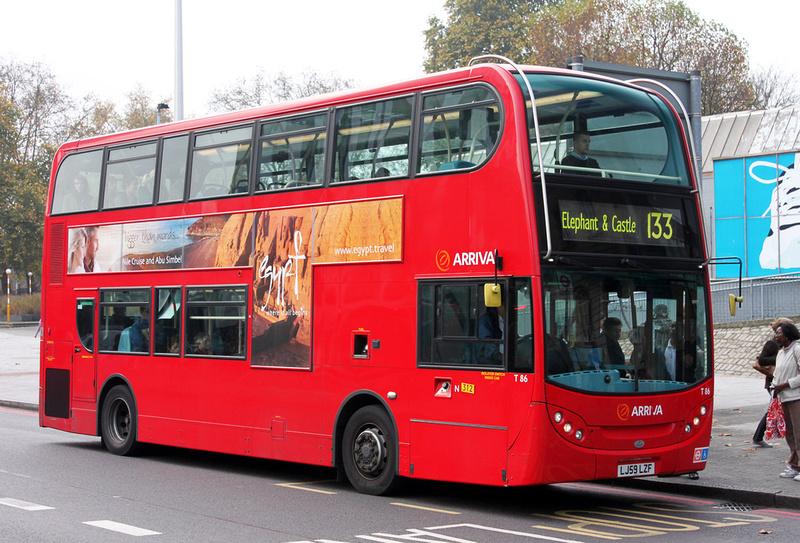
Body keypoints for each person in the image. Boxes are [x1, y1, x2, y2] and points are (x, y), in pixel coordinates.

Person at [752, 318, 794, 448]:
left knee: (774, 409)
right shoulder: (772, 344)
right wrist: (782, 357)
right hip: (774, 382)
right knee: (773, 410)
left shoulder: (788, 344)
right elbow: (762, 360)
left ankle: (758, 437)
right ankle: (758, 437)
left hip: (783, 382)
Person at [770, 322, 800, 480]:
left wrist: (787, 384)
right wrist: (774, 386)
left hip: (796, 398)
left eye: (779, 333)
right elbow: (777, 374)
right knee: (789, 434)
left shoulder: (798, 349)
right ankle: (794, 466)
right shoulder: (781, 353)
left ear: (787, 335)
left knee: (799, 433)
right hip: (783, 398)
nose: (776, 336)